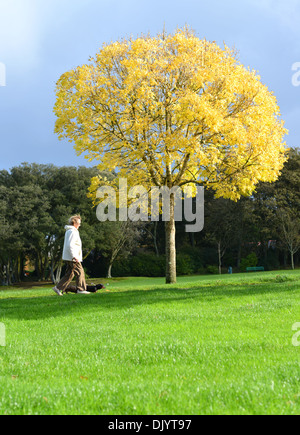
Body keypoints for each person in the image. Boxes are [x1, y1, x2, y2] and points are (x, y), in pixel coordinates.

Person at [53, 215, 90, 296]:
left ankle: (58, 288)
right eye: (79, 223)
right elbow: (70, 245)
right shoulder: (72, 232)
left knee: (70, 274)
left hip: (70, 257)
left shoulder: (70, 231)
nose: (80, 225)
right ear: (74, 223)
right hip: (73, 257)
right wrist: (74, 256)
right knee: (80, 272)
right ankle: (81, 289)